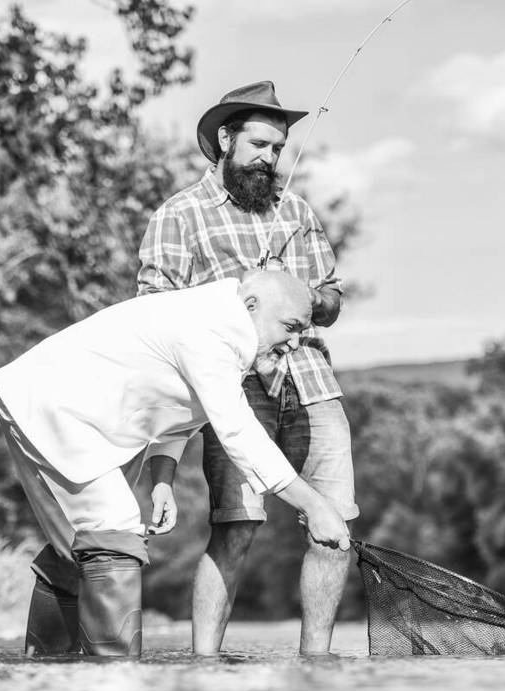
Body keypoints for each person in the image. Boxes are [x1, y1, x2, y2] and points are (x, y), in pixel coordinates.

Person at [0, 272, 350, 658]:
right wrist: (315, 506)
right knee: (114, 526)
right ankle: (114, 679)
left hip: (92, 424)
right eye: (290, 327)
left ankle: (47, 667)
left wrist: (161, 479)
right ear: (251, 306)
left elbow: (176, 399)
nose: (296, 343)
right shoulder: (212, 332)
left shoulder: (225, 324)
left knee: (82, 545)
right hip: (53, 406)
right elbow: (239, 435)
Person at [138, 80, 358, 657]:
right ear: (226, 139)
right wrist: (243, 296)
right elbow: (154, 312)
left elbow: (332, 300)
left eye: (278, 148)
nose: (269, 158)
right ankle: (204, 662)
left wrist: (304, 296)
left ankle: (318, 663)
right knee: (236, 526)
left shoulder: (298, 212)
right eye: (258, 144)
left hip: (312, 382)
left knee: (333, 527)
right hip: (233, 388)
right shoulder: (179, 215)